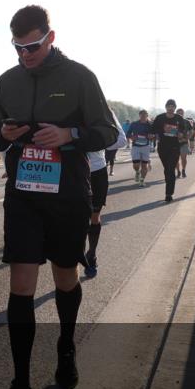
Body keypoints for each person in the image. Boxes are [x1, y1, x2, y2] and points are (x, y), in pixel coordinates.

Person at [0, 6, 117, 389]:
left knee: (65, 275)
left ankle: (66, 344)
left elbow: (109, 133)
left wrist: (71, 133)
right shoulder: (7, 81)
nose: (25, 54)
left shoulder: (80, 77)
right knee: (21, 284)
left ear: (51, 37)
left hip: (67, 196)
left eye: (32, 46)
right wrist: (5, 135)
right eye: (18, 47)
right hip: (24, 196)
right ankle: (21, 386)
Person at [84, 112, 127, 278]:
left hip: (96, 171)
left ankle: (91, 255)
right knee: (76, 217)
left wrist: (93, 141)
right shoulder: (67, 105)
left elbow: (121, 140)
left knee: (94, 216)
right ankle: (74, 258)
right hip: (71, 170)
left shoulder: (104, 111)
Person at [152, 100, 190, 203]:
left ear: (174, 108)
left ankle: (169, 194)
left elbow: (184, 131)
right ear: (165, 107)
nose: (170, 108)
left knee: (170, 169)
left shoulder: (179, 119)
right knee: (167, 169)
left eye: (172, 106)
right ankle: (169, 182)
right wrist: (152, 135)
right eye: (168, 106)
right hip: (162, 147)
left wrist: (181, 134)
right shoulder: (160, 118)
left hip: (174, 147)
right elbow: (153, 129)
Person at [128, 110, 154, 186]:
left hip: (146, 146)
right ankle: (137, 172)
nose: (143, 117)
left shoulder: (150, 125)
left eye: (145, 115)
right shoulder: (134, 124)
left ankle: (142, 180)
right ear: (139, 115)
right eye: (142, 115)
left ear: (147, 116)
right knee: (136, 165)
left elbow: (154, 134)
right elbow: (128, 134)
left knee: (144, 165)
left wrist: (152, 136)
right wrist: (132, 137)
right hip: (136, 146)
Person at [176, 108, 190, 178]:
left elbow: (191, 131)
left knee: (183, 158)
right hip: (174, 143)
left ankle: (183, 170)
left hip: (184, 142)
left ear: (183, 114)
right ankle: (178, 171)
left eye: (181, 113)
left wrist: (186, 138)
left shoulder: (186, 122)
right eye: (178, 113)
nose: (180, 114)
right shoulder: (173, 121)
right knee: (175, 159)